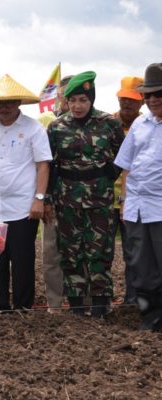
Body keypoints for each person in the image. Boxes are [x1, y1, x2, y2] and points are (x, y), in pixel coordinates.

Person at [47, 71, 124, 318]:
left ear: (91, 99)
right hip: (67, 197)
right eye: (73, 101)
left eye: (83, 100)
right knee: (71, 250)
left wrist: (104, 177)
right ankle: (78, 307)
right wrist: (49, 196)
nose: (78, 106)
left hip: (99, 198)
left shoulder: (108, 123)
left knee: (100, 250)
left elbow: (123, 156)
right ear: (66, 102)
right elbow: (49, 164)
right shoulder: (56, 127)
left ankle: (101, 306)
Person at [0, 74, 52, 311]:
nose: (4, 108)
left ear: (18, 103)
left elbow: (43, 165)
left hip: (22, 208)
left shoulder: (33, 129)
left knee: (22, 261)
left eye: (9, 103)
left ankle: (23, 308)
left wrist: (39, 199)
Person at [114, 63, 162, 331]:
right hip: (136, 207)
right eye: (149, 95)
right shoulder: (139, 125)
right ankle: (150, 318)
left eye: (159, 94)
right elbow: (127, 166)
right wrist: (124, 201)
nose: (153, 99)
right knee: (141, 267)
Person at [36, 75, 73, 314]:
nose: (68, 101)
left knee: (83, 254)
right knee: (52, 254)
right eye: (65, 96)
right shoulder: (49, 125)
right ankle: (54, 305)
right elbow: (43, 166)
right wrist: (45, 199)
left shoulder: (100, 124)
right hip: (54, 201)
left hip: (85, 202)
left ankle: (85, 304)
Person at [111, 76, 144, 305]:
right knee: (102, 252)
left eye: (132, 100)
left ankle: (133, 299)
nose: (127, 104)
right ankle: (102, 300)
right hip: (103, 199)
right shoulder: (106, 124)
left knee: (134, 253)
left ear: (142, 101)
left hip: (133, 200)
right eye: (124, 98)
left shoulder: (146, 126)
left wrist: (126, 200)